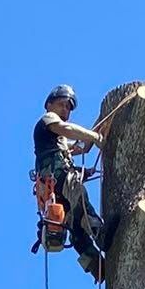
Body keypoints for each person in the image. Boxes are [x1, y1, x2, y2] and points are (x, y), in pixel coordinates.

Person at [33, 84, 106, 279]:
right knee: (79, 196)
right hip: (57, 178)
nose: (65, 111)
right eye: (62, 105)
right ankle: (101, 233)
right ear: (49, 105)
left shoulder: (60, 140)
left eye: (68, 108)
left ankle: (96, 265)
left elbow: (84, 146)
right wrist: (95, 136)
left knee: (75, 227)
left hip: (56, 187)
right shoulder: (48, 120)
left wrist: (100, 123)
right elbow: (66, 129)